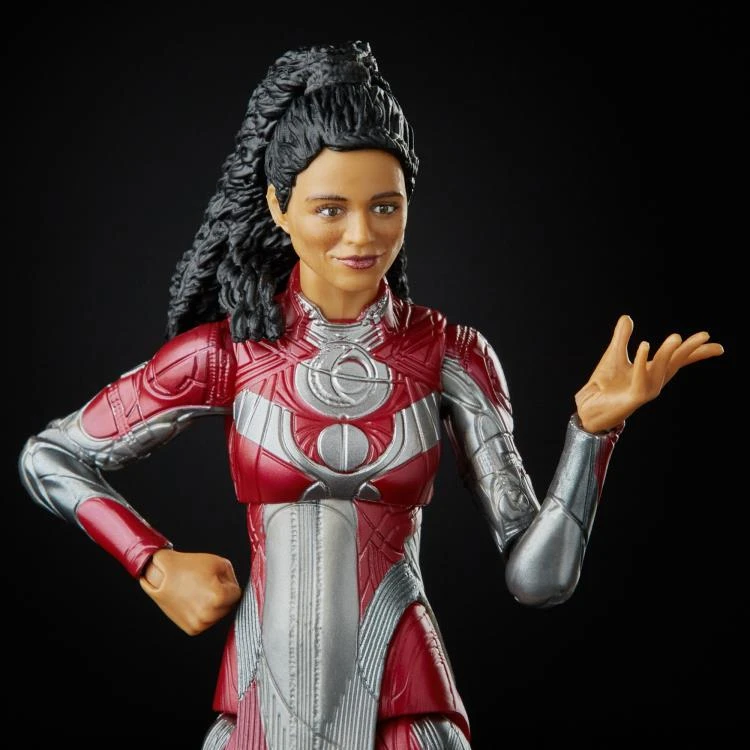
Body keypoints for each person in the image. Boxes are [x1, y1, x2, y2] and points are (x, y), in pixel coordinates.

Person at [17, 40, 723, 750]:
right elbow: (50, 456)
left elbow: (538, 580)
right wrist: (153, 562)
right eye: (330, 209)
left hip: (405, 700)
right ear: (279, 206)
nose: (361, 236)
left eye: (385, 206)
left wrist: (589, 436)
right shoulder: (228, 352)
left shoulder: (450, 354)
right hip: (259, 701)